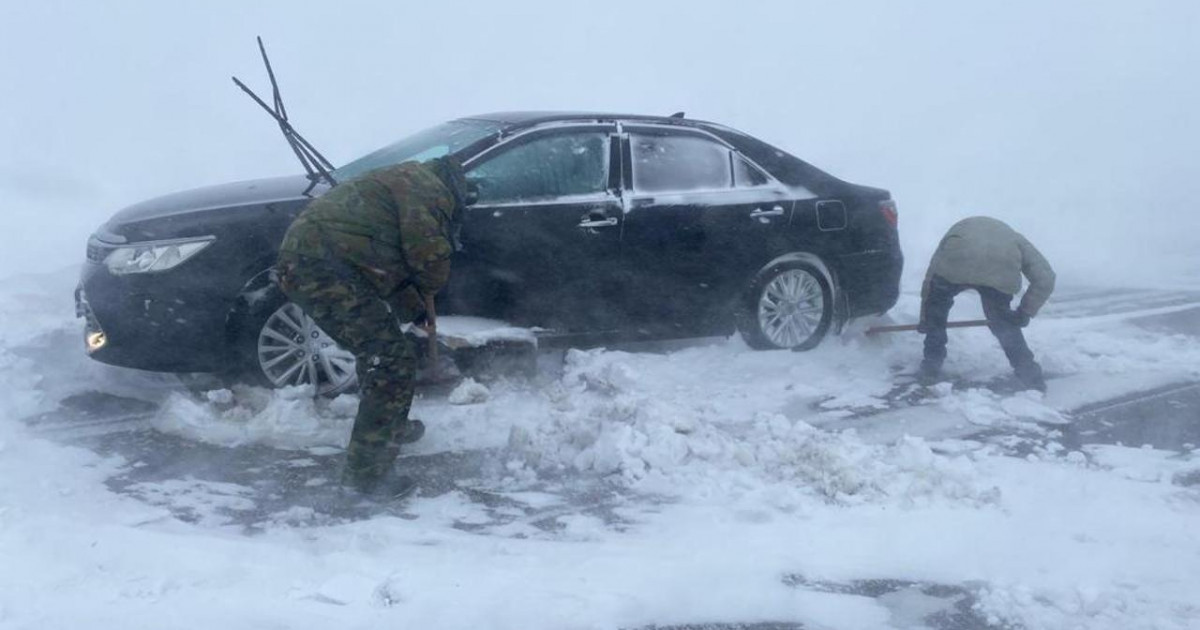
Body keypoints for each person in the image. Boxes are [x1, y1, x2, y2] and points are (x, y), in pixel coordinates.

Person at [275, 156, 473, 497]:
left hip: (318, 263)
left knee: (382, 353)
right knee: (390, 361)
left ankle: (388, 427)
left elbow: (383, 257)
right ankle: (366, 478)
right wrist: (434, 280)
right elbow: (426, 254)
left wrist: (413, 309)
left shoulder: (405, 177)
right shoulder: (428, 189)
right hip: (322, 269)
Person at [917, 216, 1056, 391]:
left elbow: (931, 278)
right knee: (1004, 325)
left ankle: (930, 367)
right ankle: (1032, 379)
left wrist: (927, 319)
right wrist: (1024, 312)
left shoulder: (958, 231)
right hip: (1000, 267)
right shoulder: (1016, 239)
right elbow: (1046, 278)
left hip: (958, 255)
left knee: (937, 309)